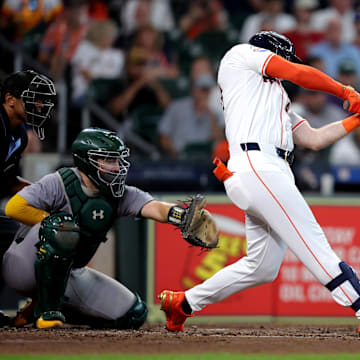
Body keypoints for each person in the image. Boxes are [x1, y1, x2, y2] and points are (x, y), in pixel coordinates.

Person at [159, 31, 360, 334]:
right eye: (285, 57)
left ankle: (184, 302)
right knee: (314, 244)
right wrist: (345, 91)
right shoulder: (241, 56)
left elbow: (314, 139)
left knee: (262, 265)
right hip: (258, 164)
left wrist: (356, 119)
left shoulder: (273, 96)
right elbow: (295, 72)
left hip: (268, 169)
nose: (288, 64)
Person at [2, 127, 213, 329]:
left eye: (118, 160)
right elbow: (14, 208)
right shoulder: (59, 182)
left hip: (69, 272)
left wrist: (182, 216)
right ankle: (46, 313)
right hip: (23, 265)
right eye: (108, 160)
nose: (117, 167)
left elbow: (155, 207)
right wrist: (51, 221)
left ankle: (39, 306)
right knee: (63, 227)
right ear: (86, 160)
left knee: (133, 313)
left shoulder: (120, 193)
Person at [0, 69, 56, 325]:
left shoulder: (20, 135)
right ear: (10, 99)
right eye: (34, 98)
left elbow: (8, 181)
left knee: (14, 236)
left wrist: (48, 196)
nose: (40, 105)